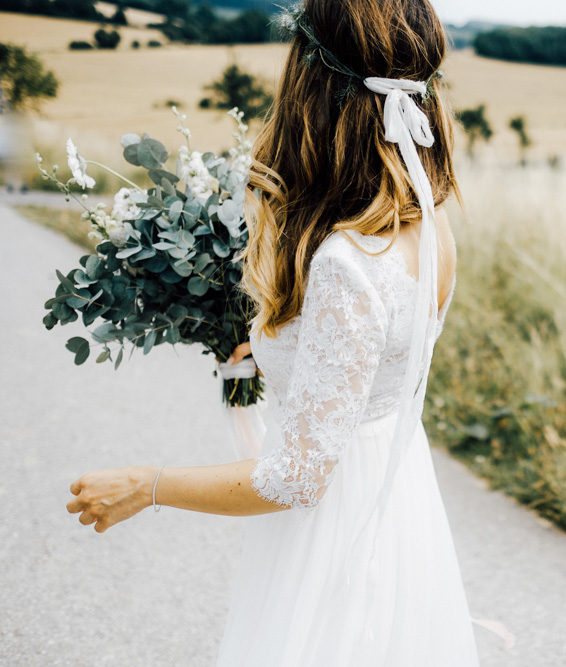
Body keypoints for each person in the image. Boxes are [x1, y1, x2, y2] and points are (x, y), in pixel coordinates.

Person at [65, 0, 481, 664]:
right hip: (396, 502)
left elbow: (298, 476)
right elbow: (372, 361)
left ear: (310, 89)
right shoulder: (427, 220)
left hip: (334, 538)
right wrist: (275, 352)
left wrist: (147, 484)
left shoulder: (346, 265)